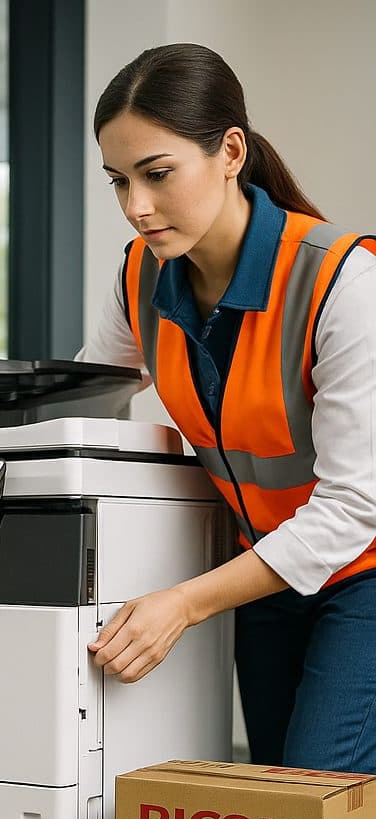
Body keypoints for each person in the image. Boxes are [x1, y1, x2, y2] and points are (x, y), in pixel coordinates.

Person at [82, 43, 376, 774]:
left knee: (315, 789)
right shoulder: (141, 276)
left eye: (156, 175)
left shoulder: (343, 279)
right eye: (119, 182)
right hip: (263, 578)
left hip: (363, 571)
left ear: (230, 152)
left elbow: (352, 506)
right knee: (281, 795)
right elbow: (86, 410)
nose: (136, 208)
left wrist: (181, 603)